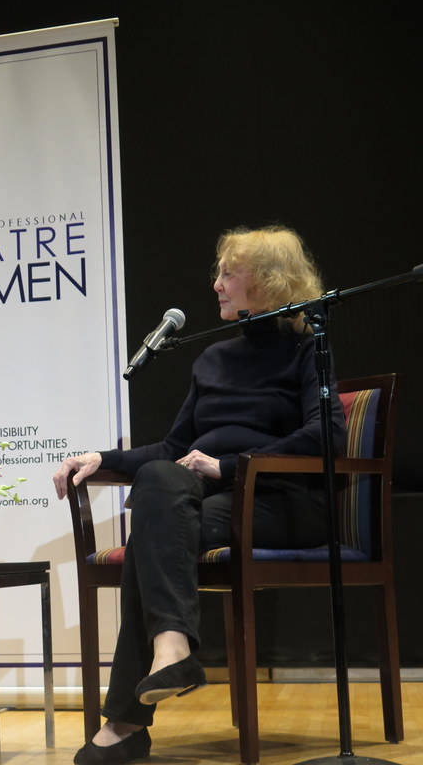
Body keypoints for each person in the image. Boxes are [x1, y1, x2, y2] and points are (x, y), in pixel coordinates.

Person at [53, 225, 345, 764]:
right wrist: (102, 458)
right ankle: (171, 649)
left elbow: (326, 433)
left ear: (269, 281)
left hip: (281, 501)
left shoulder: (308, 350)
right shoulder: (211, 359)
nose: (216, 284)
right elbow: (172, 447)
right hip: (212, 504)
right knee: (159, 482)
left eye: (229, 273)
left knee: (151, 533)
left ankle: (126, 722)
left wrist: (228, 465)